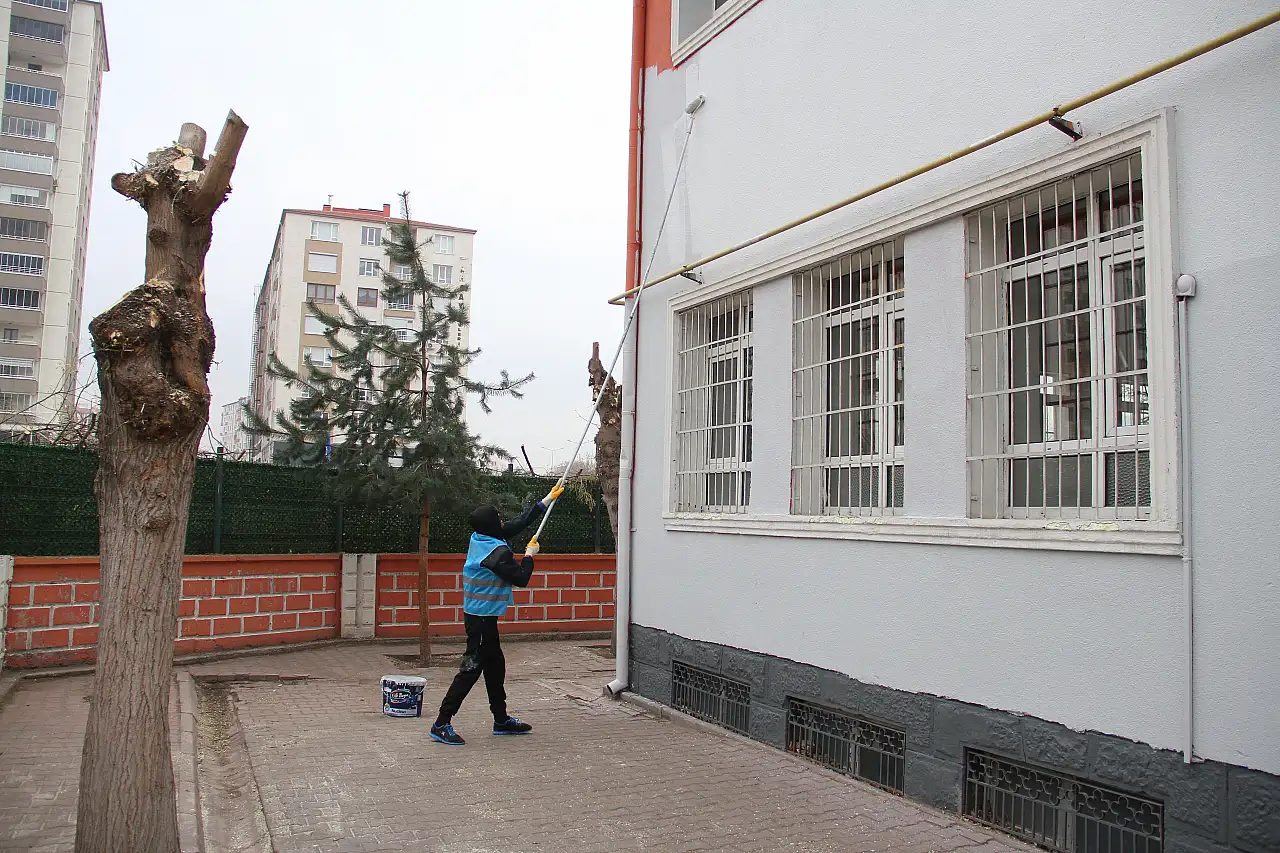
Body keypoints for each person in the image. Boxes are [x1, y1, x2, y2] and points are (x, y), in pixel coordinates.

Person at [429, 484, 564, 746]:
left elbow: (517, 523)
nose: (502, 521)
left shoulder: (480, 538)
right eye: (498, 518)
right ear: (492, 525)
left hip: (483, 619)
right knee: (470, 670)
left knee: (495, 667)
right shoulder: (497, 554)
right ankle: (441, 723)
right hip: (480, 622)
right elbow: (522, 578)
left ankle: (500, 720)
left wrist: (545, 501)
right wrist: (529, 556)